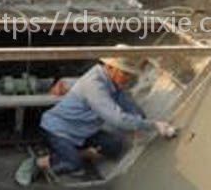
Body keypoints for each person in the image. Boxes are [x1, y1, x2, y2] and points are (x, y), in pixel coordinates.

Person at [37, 50, 177, 178]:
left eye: (129, 74)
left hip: (84, 131)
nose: (128, 78)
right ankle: (44, 162)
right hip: (58, 130)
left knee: (115, 146)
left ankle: (78, 154)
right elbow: (117, 119)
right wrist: (154, 125)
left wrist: (139, 122)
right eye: (125, 73)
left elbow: (128, 103)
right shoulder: (95, 86)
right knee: (74, 165)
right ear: (110, 68)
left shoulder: (113, 82)